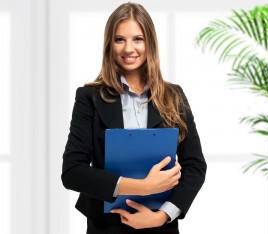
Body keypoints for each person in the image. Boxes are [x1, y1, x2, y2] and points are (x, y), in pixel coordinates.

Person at [61, 2, 206, 234]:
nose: (129, 48)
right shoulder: (90, 97)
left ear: (150, 43)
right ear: (110, 44)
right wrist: (143, 187)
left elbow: (195, 166)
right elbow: (72, 172)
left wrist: (162, 216)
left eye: (137, 39)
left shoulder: (174, 96)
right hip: (106, 228)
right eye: (120, 39)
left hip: (161, 227)